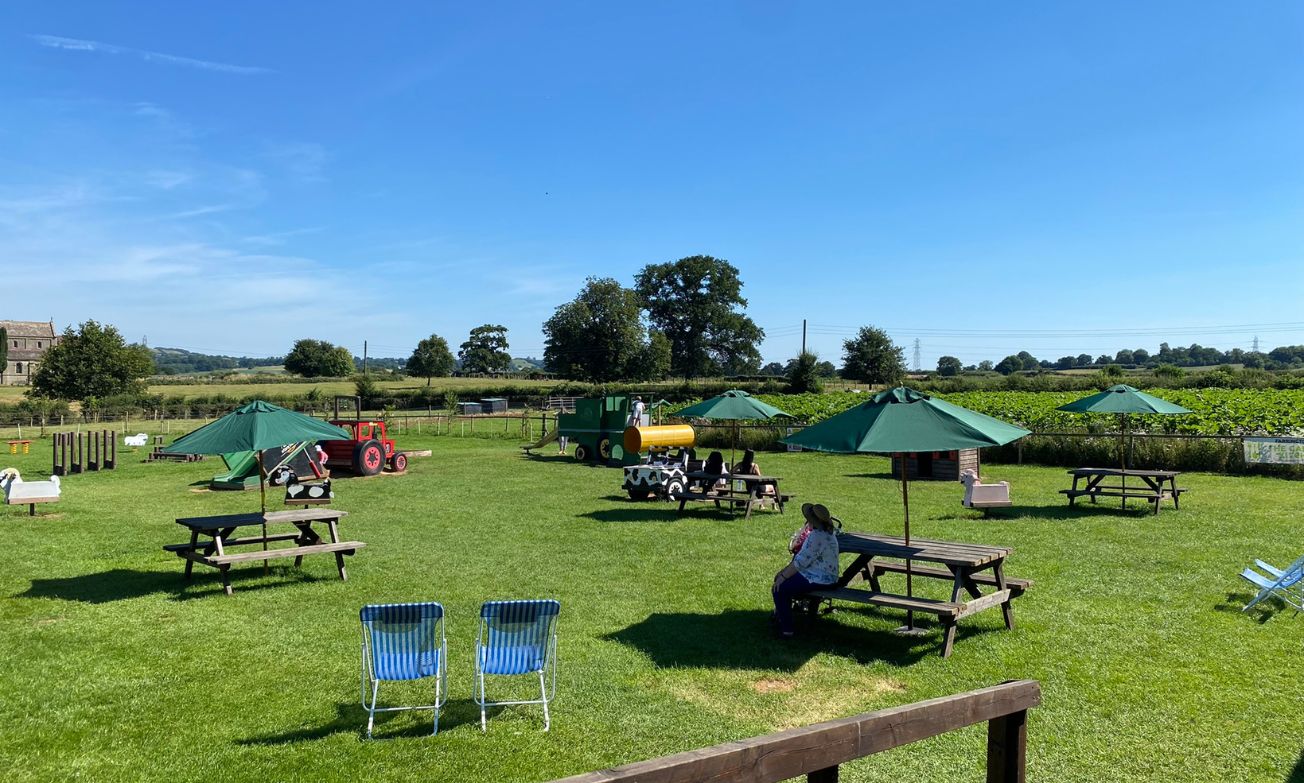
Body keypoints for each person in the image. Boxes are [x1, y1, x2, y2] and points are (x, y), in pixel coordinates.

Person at [772, 503, 841, 639]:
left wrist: (783, 576)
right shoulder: (828, 532)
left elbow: (800, 563)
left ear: (811, 520)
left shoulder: (816, 536)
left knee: (779, 588)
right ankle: (782, 615)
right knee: (782, 581)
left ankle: (787, 629)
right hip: (827, 575)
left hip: (820, 578)